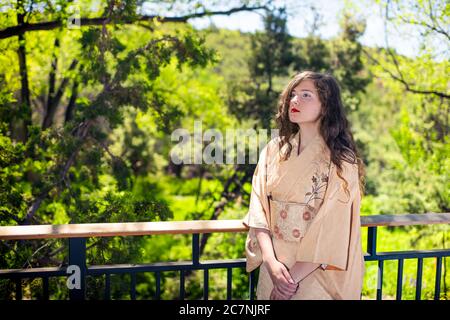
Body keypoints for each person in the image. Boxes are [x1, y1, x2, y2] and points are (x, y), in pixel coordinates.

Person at [242, 70, 366, 300]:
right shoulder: (272, 151)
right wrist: (271, 263)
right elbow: (258, 208)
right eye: (293, 95)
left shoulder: (341, 161)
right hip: (275, 265)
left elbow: (333, 229)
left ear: (326, 106)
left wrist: (289, 281)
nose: (295, 100)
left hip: (314, 271)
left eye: (306, 95)